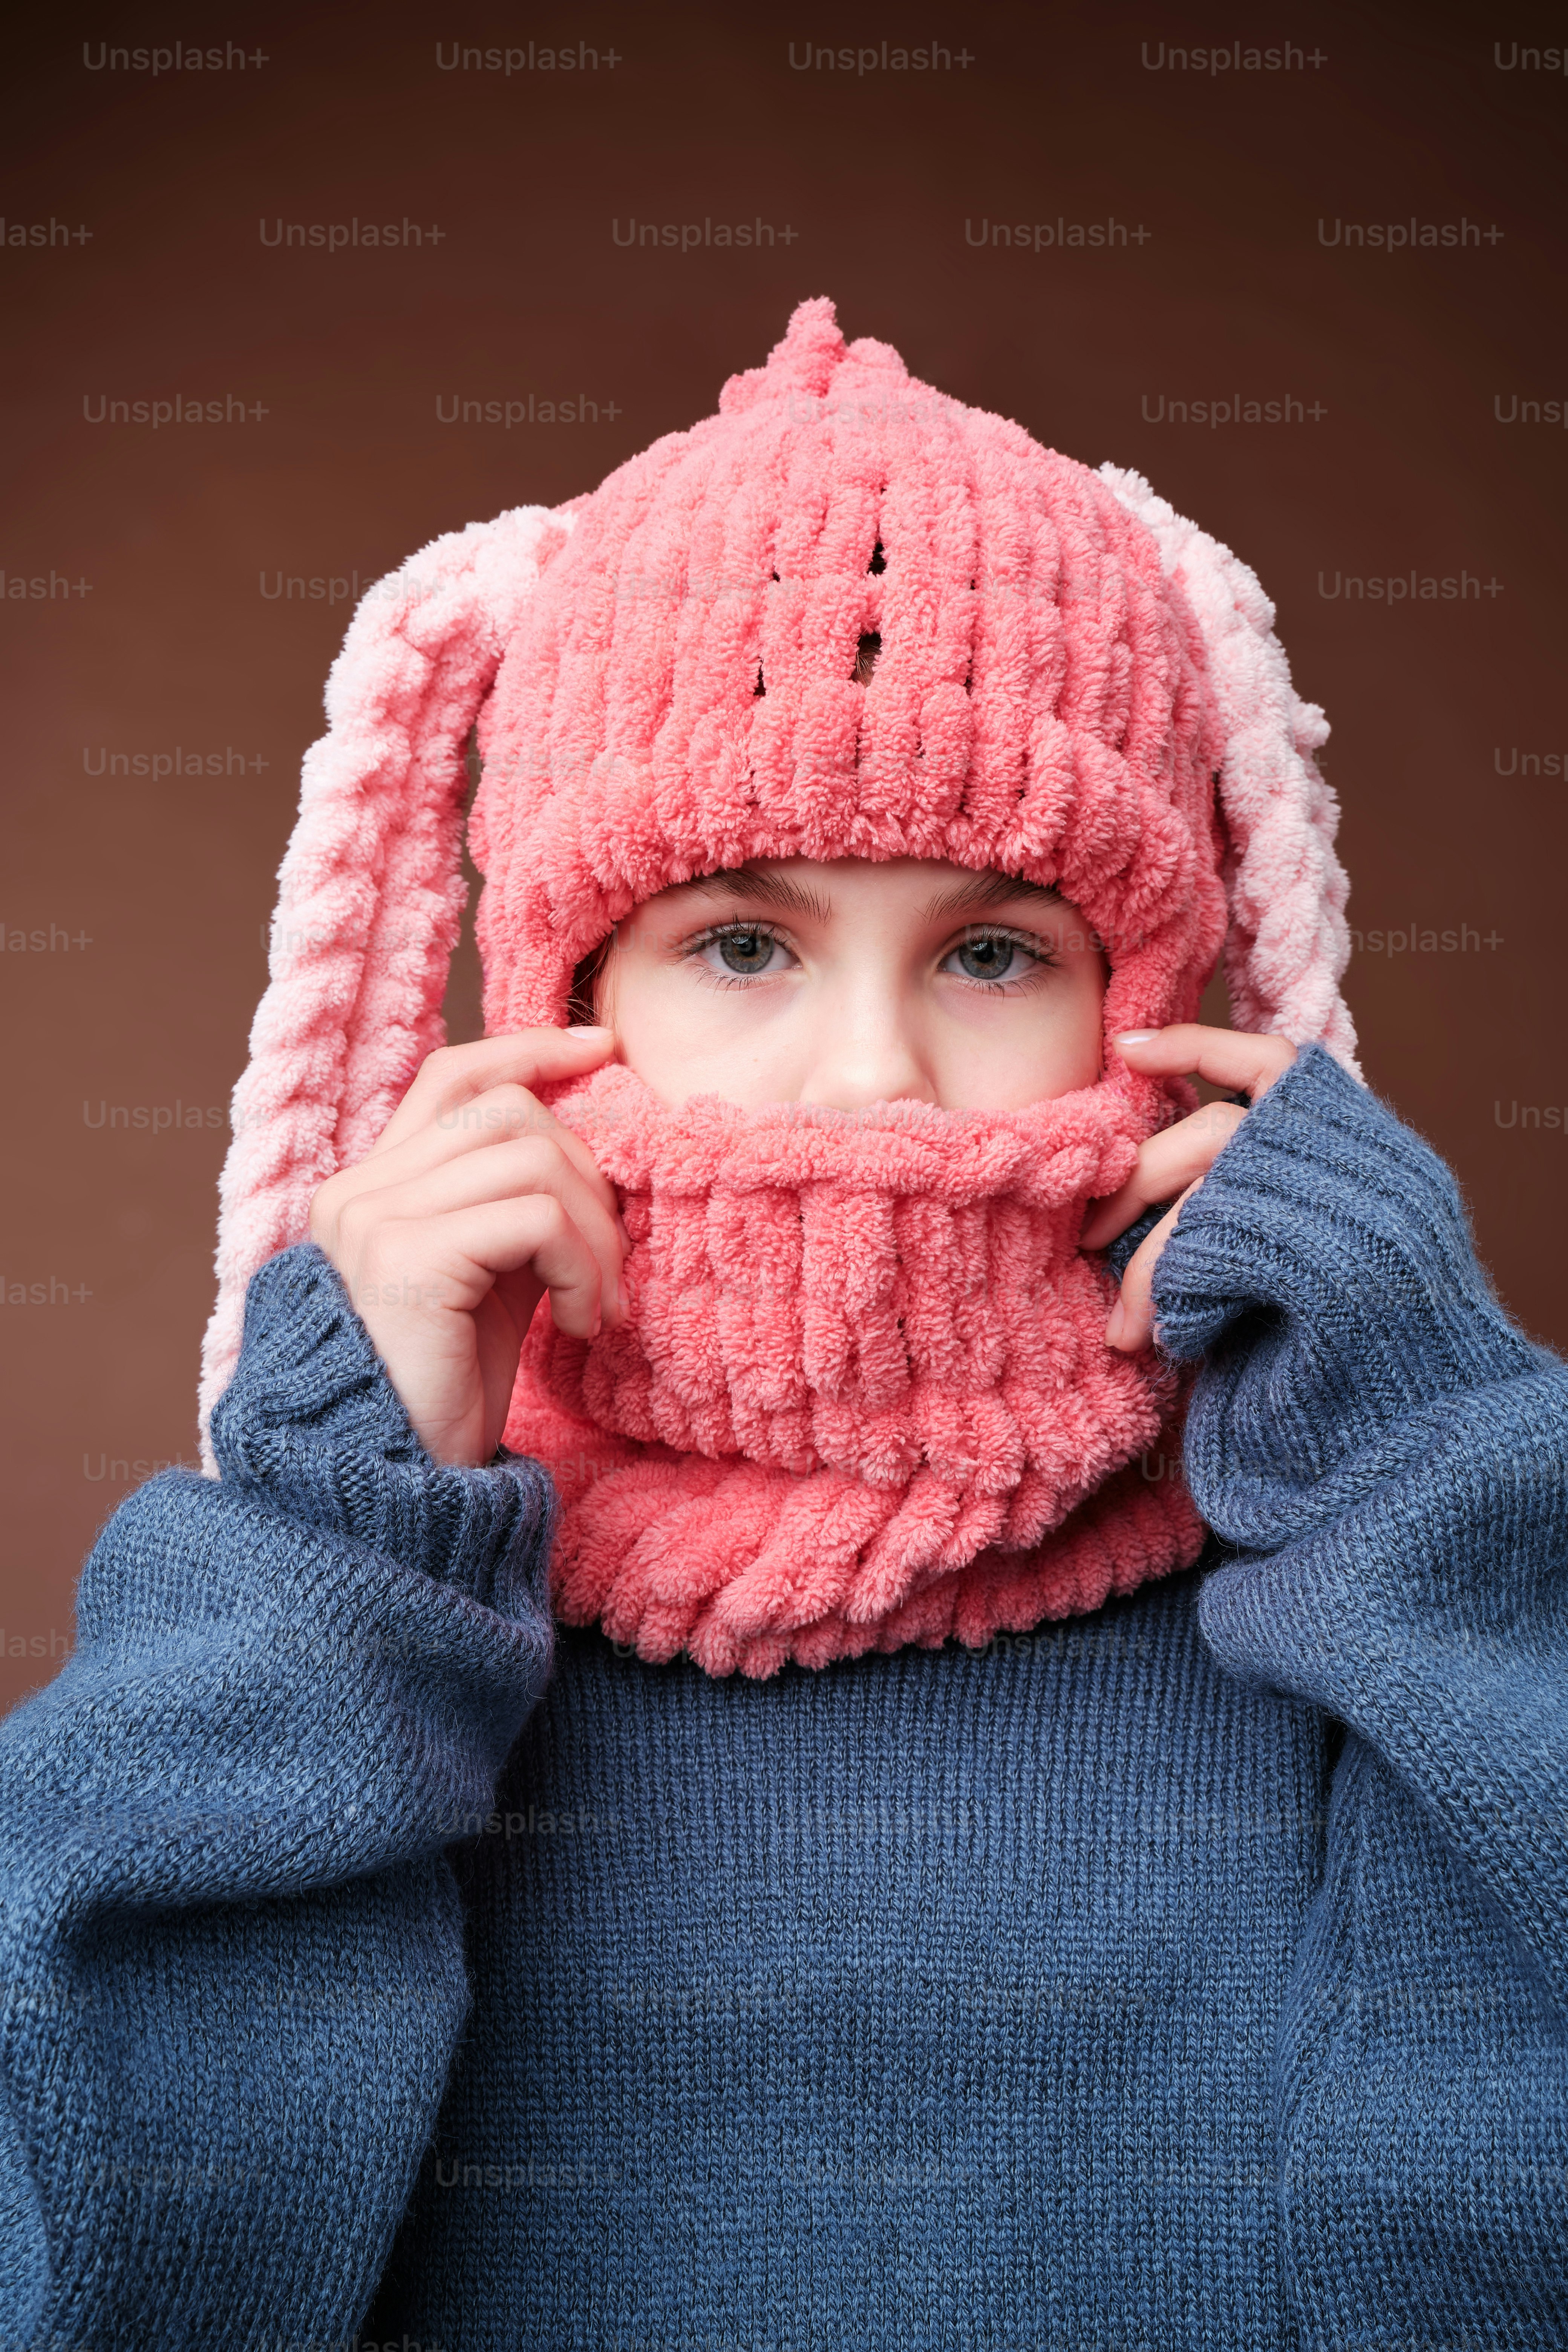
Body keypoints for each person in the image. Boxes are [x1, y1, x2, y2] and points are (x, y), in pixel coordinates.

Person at [2, 299, 1563, 2350]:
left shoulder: (1365, 1582)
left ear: (1165, 1006)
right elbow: (98, 2287)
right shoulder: (344, 1607)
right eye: (741, 940)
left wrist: (1447, 1465)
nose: (869, 1077)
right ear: (561, 1007)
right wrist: (328, 1546)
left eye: (994, 951)